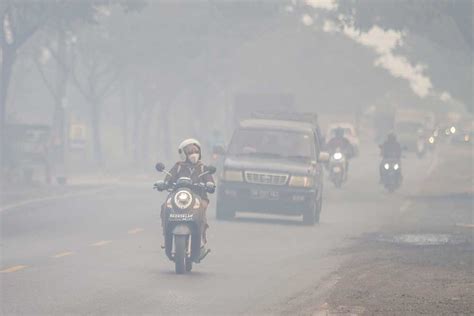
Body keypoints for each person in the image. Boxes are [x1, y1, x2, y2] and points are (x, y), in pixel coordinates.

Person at [161, 139, 215, 246]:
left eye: (196, 151)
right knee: (165, 206)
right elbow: (169, 178)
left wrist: (209, 184)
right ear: (183, 154)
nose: (193, 154)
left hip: (199, 197)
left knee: (202, 209)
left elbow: (210, 181)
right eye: (190, 152)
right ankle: (166, 233)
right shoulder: (178, 166)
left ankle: (201, 238)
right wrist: (164, 183)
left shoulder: (203, 168)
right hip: (178, 197)